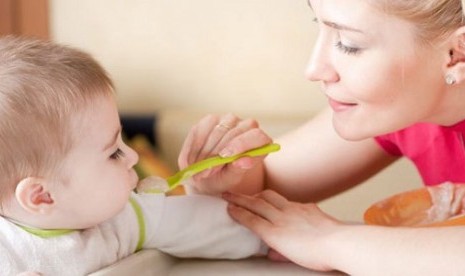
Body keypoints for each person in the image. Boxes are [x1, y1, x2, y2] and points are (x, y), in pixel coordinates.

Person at [177, 0, 465, 274]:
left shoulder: (404, 100)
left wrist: (330, 241)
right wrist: (222, 176)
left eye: (349, 45)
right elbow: (264, 183)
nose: (313, 69)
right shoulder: (407, 108)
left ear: (457, 53)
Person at [0, 36, 266, 276]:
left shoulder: (126, 217)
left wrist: (269, 242)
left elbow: (216, 226)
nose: (133, 157)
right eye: (114, 152)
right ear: (42, 196)